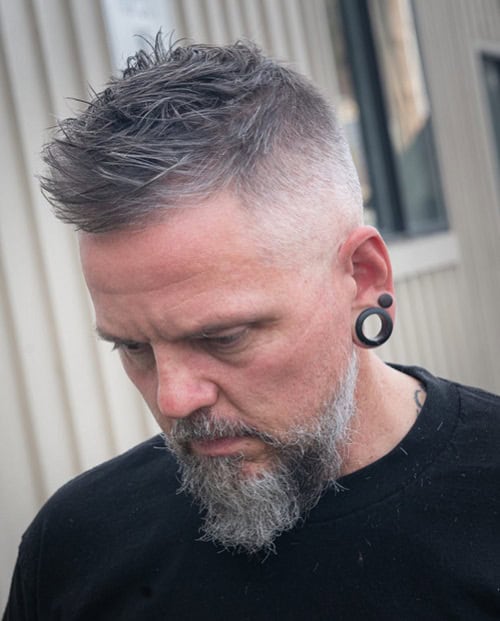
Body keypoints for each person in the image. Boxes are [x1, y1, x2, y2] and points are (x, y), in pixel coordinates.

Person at [3, 37, 500, 621]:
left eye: (223, 337)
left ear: (362, 278)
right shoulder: (75, 545)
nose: (173, 397)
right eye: (133, 346)